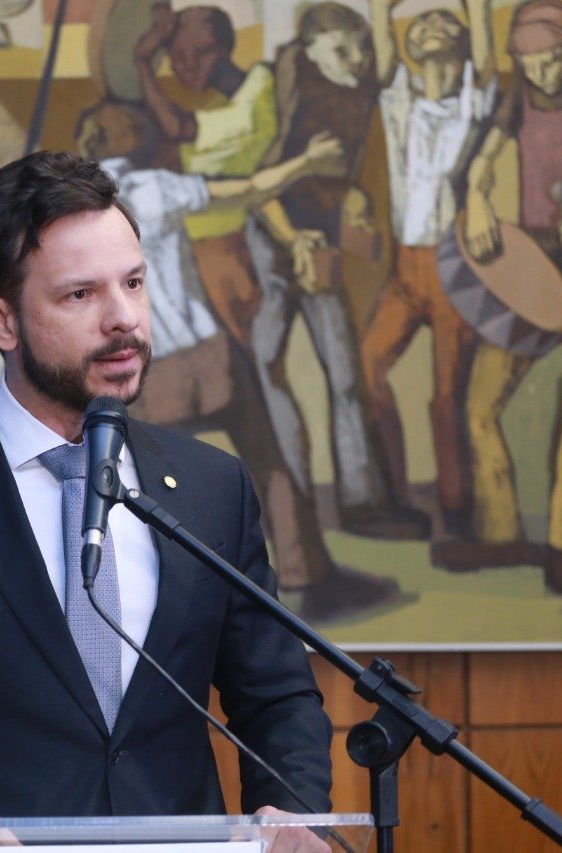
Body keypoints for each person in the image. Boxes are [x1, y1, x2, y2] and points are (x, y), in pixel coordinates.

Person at [0, 151, 333, 826]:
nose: (124, 318)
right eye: (81, 294)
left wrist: (293, 813)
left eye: (133, 283)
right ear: (2, 320)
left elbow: (276, 698)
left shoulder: (211, 486)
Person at [76, 100, 398, 621]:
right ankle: (309, 577)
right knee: (268, 463)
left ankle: (161, 602)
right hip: (207, 355)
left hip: (143, 371)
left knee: (140, 485)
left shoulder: (72, 215)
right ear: (137, 139)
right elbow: (249, 189)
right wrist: (307, 163)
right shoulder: (157, 188)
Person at [246, 2, 431, 540]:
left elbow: (384, 60)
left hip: (319, 238)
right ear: (310, 53)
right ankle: (287, 504)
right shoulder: (293, 92)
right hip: (278, 234)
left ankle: (362, 503)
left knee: (345, 374)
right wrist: (293, 240)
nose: (358, 60)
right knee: (267, 364)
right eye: (342, 51)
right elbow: (261, 188)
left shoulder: (358, 83)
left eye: (362, 48)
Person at [448, 0, 562, 593]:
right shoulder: (515, 96)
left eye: (552, 61)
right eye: (531, 63)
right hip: (535, 258)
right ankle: (500, 534)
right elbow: (477, 165)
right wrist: (475, 194)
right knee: (481, 404)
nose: (543, 73)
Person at [361, 0, 496, 540]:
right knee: (368, 367)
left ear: (461, 42)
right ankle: (396, 495)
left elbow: (484, 36)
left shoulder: (474, 98)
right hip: (405, 266)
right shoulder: (399, 100)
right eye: (423, 22)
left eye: (447, 21)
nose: (435, 25)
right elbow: (380, 25)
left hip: (453, 268)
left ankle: (457, 510)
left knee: (447, 394)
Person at [132, 5, 278, 349]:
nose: (188, 65)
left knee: (248, 356)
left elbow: (178, 127)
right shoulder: (217, 106)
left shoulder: (259, 91)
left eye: (201, 52)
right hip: (197, 253)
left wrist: (142, 62)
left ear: (227, 48)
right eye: (177, 57)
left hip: (233, 249)